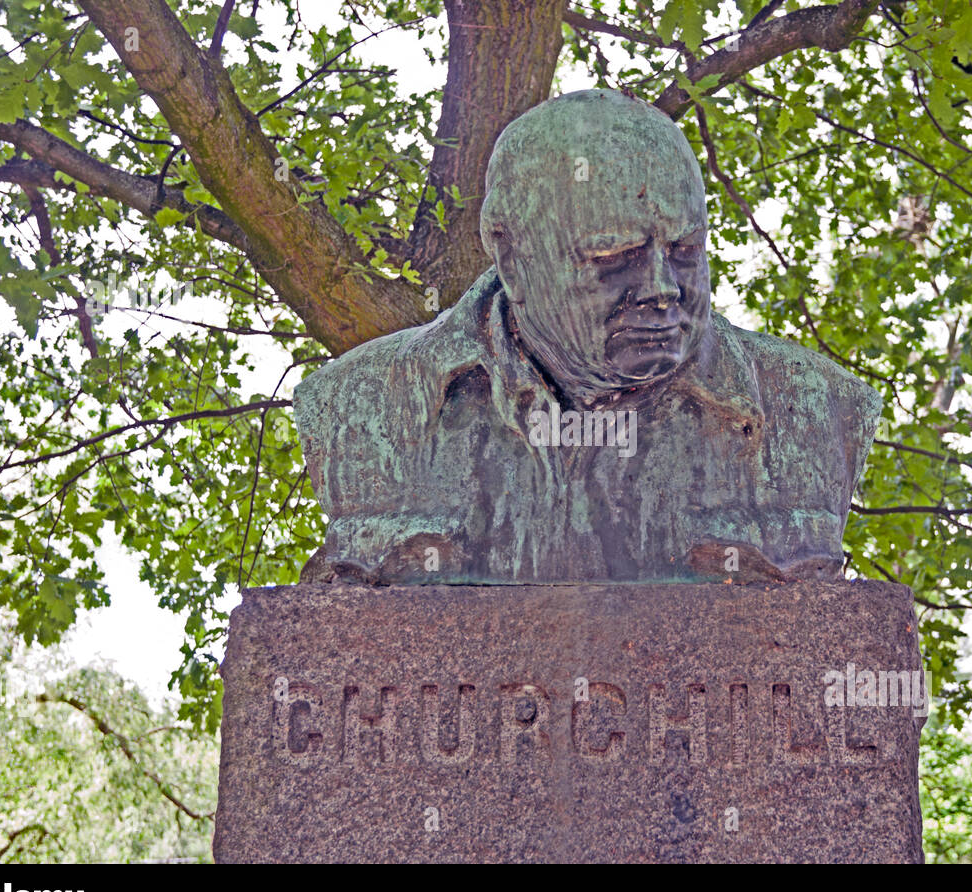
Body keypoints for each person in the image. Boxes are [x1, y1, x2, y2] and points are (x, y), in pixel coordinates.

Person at [293, 88, 881, 584]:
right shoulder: (356, 407)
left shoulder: (820, 409)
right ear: (511, 255)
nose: (662, 289)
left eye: (684, 251)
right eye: (614, 256)